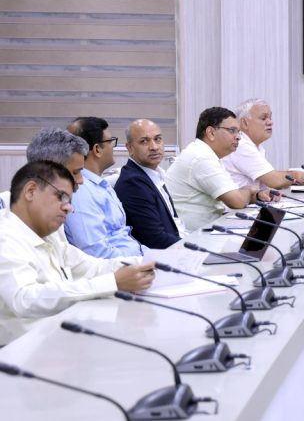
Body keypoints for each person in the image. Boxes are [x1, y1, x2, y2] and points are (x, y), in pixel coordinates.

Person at [0, 161, 154, 345]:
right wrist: (112, 282)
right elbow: (24, 299)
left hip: (61, 338)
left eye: (69, 201)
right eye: (61, 197)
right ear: (31, 191)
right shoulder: (6, 237)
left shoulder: (49, 237)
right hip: (23, 351)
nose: (69, 208)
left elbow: (92, 267)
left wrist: (147, 263)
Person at [165, 107, 277, 232]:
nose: (238, 137)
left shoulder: (209, 155)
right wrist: (250, 189)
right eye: (232, 131)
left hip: (211, 228)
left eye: (238, 132)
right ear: (211, 133)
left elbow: (235, 194)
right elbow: (237, 201)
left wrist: (258, 195)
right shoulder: (201, 158)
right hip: (195, 236)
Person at [63, 117, 144, 258]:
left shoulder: (100, 184)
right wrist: (141, 262)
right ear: (97, 149)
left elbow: (121, 237)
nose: (113, 146)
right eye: (110, 141)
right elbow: (96, 252)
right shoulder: (81, 191)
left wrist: (153, 255)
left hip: (135, 258)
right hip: (121, 266)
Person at [113, 119, 183, 249]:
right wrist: (197, 248)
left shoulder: (154, 174)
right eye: (144, 141)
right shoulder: (133, 183)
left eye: (158, 139)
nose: (154, 147)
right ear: (129, 148)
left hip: (177, 243)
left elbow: (174, 223)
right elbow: (156, 239)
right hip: (161, 255)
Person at [221, 99, 304, 189]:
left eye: (270, 117)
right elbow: (275, 181)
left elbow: (268, 177)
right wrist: (295, 175)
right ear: (245, 123)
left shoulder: (254, 146)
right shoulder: (241, 145)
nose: (270, 122)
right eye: (263, 118)